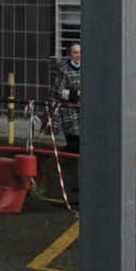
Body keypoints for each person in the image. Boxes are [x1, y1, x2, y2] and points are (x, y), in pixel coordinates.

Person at [53, 42, 83, 198]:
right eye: (75, 52)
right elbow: (58, 91)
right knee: (73, 144)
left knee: (82, 145)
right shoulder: (64, 70)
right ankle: (67, 173)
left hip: (84, 112)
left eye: (80, 52)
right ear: (70, 54)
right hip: (70, 113)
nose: (78, 55)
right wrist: (75, 94)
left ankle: (78, 178)